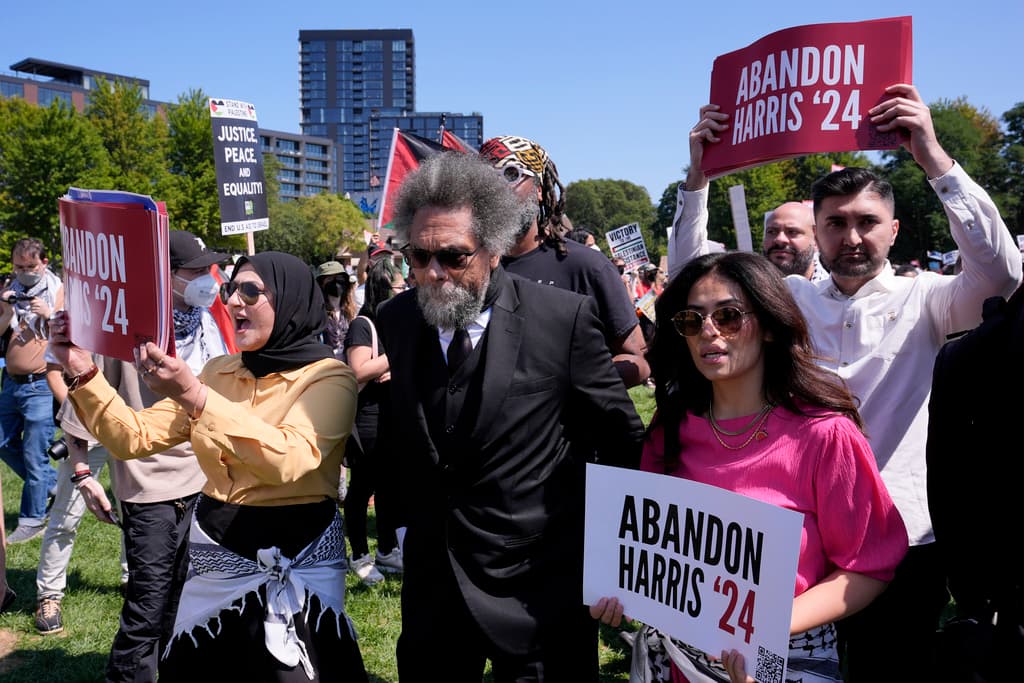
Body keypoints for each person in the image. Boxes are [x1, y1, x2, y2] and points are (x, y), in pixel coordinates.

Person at [675, 84, 1023, 680]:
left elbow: (1000, 274)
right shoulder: (787, 301)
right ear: (816, 230)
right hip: (798, 536)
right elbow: (693, 276)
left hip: (901, 533)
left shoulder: (930, 300)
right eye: (835, 223)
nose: (852, 237)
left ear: (894, 230)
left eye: (868, 222)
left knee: (889, 668)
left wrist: (934, 157)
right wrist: (697, 179)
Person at [375, 151, 645, 682]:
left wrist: (615, 565)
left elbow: (622, 444)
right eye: (419, 255)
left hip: (541, 591)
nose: (433, 274)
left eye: (453, 257)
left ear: (494, 248)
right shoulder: (397, 318)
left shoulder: (562, 320)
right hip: (434, 589)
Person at [48, 251, 367, 682]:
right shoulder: (219, 371)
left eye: (251, 291)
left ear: (290, 300)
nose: (234, 300)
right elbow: (133, 437)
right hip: (216, 552)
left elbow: (289, 460)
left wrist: (195, 397)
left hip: (297, 549)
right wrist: (83, 371)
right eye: (232, 289)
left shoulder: (329, 377)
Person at [592, 252, 908, 683]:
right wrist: (623, 590)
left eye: (728, 316)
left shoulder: (825, 435)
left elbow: (867, 566)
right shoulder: (671, 429)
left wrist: (768, 628)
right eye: (692, 319)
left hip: (781, 659)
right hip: (676, 659)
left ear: (771, 327)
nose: (708, 331)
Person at [34, 231, 234, 677]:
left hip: (209, 481)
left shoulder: (211, 321)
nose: (209, 280)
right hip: (149, 488)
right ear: (168, 279)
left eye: (210, 269)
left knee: (189, 600)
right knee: (147, 605)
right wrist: (84, 473)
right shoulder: (123, 332)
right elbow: (80, 397)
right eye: (196, 272)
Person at [479, 135, 650, 388]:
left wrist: (568, 383)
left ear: (538, 190)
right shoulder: (468, 268)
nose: (498, 190)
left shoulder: (587, 267)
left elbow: (638, 361)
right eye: (485, 181)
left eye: (511, 174)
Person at [667, 130, 827, 283]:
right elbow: (688, 272)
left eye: (792, 232)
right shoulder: (747, 289)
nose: (779, 239)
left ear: (817, 239)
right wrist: (698, 171)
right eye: (771, 231)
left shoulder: (842, 297)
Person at [343, 255, 405, 585]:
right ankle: (359, 555)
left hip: (392, 416)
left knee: (389, 488)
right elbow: (358, 372)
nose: (405, 289)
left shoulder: (395, 323)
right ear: (384, 287)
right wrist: (391, 357)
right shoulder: (363, 325)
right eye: (399, 285)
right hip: (367, 419)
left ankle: (386, 549)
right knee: (362, 488)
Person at [0, 237, 63, 543]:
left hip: (40, 384)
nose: (25, 271)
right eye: (19, 266)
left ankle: (32, 519)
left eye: (31, 266)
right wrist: (4, 307)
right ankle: (52, 484)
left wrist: (48, 313)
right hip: (11, 382)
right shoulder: (12, 290)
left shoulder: (58, 290)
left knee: (34, 453)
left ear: (45, 263)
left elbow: (74, 330)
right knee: (2, 441)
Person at [315, 260, 357, 360]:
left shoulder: (351, 311)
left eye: (339, 278)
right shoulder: (316, 312)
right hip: (327, 365)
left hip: (349, 364)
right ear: (321, 284)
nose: (336, 282)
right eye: (330, 279)